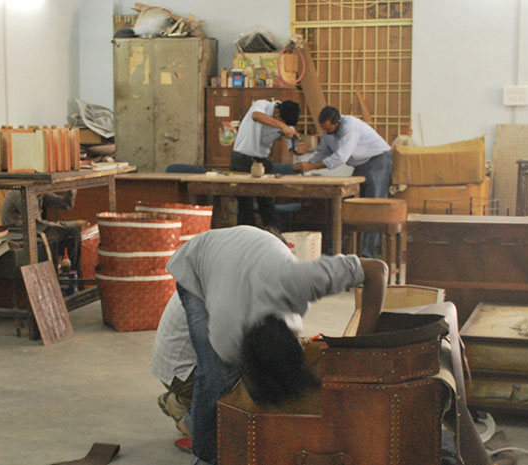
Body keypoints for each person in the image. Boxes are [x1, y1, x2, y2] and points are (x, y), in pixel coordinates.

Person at [166, 225, 370, 465]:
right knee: (214, 375)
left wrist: (363, 340)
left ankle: (202, 424)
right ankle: (203, 457)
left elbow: (378, 269)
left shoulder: (305, 279)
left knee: (244, 381)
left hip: (249, 253)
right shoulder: (226, 341)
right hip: (199, 259)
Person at [294, 106, 393, 259]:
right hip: (361, 164)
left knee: (373, 208)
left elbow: (341, 157)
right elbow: (322, 152)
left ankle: (368, 255)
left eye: (329, 129)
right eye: (324, 129)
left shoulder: (350, 126)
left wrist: (312, 167)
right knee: (351, 206)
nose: (326, 132)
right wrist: (306, 166)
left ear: (338, 123)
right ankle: (343, 251)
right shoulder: (328, 132)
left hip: (379, 160)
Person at [230, 99, 302, 229]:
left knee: (267, 201)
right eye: (282, 122)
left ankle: (273, 235)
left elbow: (292, 147)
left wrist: (297, 148)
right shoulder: (262, 105)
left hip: (261, 161)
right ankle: (246, 237)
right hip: (242, 159)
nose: (283, 126)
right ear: (277, 111)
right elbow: (256, 116)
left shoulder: (286, 124)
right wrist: (282, 126)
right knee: (245, 204)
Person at [0, 190, 82, 273]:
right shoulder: (22, 193)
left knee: (72, 233)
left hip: (33, 229)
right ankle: (70, 274)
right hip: (19, 233)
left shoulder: (38, 191)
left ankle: (71, 274)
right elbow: (38, 224)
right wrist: (74, 223)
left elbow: (66, 204)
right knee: (72, 233)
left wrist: (72, 188)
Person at [152, 293, 195, 449]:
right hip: (182, 375)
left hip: (174, 368)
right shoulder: (215, 291)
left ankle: (180, 402)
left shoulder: (197, 281)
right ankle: (190, 425)